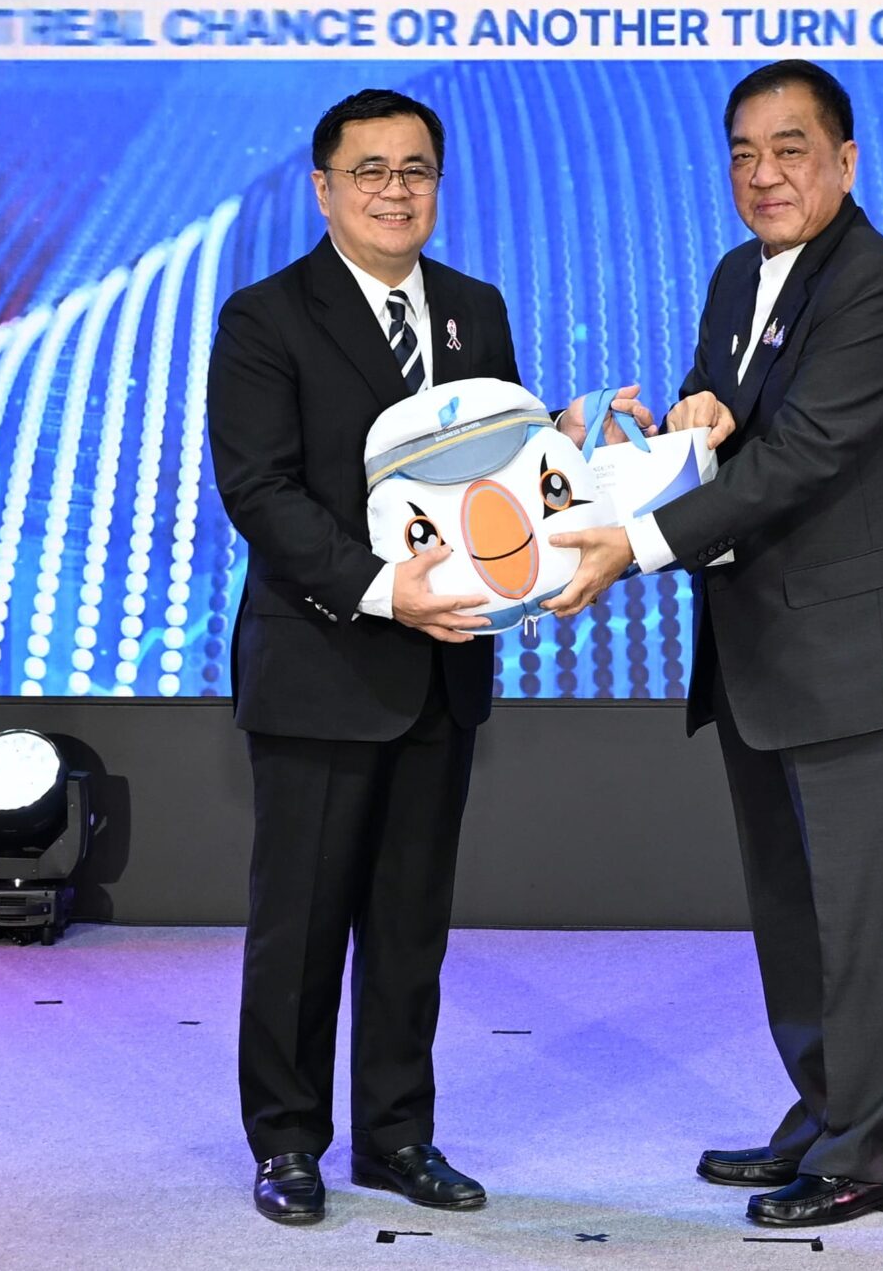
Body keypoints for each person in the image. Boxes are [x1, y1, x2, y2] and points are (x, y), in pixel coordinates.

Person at [549, 58, 883, 1229]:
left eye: (790, 148)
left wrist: (635, 542)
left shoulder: (877, 286)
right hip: (766, 646)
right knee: (796, 911)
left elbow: (800, 457)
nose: (763, 173)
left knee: (862, 918)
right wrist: (673, 428)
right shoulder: (736, 274)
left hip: (864, 652)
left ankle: (871, 1151)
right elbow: (726, 424)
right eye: (743, 152)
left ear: (845, 160)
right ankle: (822, 1112)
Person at [210, 88, 556, 1226]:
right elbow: (260, 490)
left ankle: (399, 1134)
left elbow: (499, 467)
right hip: (322, 663)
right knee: (302, 927)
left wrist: (572, 447)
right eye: (370, 170)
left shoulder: (474, 309)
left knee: (411, 925)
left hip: (443, 666)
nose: (395, 190)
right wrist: (380, 588)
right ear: (324, 188)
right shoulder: (265, 316)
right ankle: (286, 1142)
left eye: (415, 170)